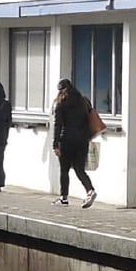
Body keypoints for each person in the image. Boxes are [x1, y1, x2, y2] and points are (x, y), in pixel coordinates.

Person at [51, 78, 97, 208]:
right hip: (82, 140)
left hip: (67, 140)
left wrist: (55, 144)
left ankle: (63, 198)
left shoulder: (61, 103)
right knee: (79, 169)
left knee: (64, 170)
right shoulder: (84, 101)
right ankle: (90, 190)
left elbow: (58, 125)